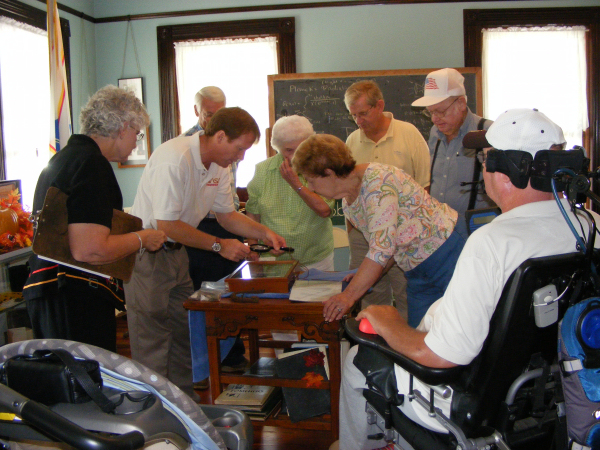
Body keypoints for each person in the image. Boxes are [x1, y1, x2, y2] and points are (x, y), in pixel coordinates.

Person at [333, 108, 598, 450]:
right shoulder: (592, 225)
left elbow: (440, 358)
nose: (482, 166)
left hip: (475, 398)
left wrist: (389, 323)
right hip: (553, 386)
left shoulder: (492, 242)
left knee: (359, 358)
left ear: (507, 172)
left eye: (486, 158)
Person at [124, 106, 286, 397]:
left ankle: (185, 406)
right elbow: (167, 225)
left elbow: (227, 215)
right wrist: (220, 245)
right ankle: (154, 413)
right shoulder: (174, 158)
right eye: (240, 148)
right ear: (220, 136)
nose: (241, 157)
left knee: (182, 336)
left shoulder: (220, 167)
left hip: (177, 255)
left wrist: (264, 233)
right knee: (152, 341)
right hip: (146, 256)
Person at [23, 85, 167, 353]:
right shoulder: (92, 165)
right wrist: (142, 238)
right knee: (84, 384)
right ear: (122, 127)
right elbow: (90, 249)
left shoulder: (64, 159)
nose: (136, 141)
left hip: (50, 290)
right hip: (73, 295)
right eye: (136, 133)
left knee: (60, 384)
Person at [292, 134, 465, 328]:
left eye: (311, 180)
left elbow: (381, 250)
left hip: (446, 253)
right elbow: (388, 245)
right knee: (421, 331)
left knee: (459, 326)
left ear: (329, 172)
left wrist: (348, 297)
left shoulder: (377, 184)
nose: (310, 187)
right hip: (416, 267)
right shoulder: (348, 201)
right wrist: (362, 275)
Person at [344, 80, 431, 320]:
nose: (359, 121)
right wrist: (352, 230)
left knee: (406, 290)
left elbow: (425, 185)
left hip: (405, 232)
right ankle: (374, 348)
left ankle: (405, 348)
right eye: (354, 116)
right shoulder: (352, 140)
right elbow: (346, 188)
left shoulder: (409, 133)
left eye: (363, 113)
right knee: (370, 293)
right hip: (364, 232)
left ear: (379, 105)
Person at [180, 86, 247, 390]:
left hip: (224, 220)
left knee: (230, 293)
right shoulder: (184, 148)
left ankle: (230, 354)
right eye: (208, 112)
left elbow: (226, 203)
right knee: (204, 296)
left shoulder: (231, 140)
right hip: (198, 228)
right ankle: (203, 365)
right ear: (197, 112)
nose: (213, 117)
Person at [412, 68, 496, 241]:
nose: (435, 119)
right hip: (440, 234)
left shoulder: (489, 132)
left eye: (440, 111)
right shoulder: (435, 132)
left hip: (478, 233)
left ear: (461, 103)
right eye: (431, 112)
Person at [246, 115, 335, 270]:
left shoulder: (322, 168)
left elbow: (324, 210)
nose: (295, 156)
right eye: (288, 150)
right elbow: (253, 214)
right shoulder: (262, 171)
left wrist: (296, 184)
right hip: (273, 261)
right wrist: (254, 247)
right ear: (277, 147)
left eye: (300, 148)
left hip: (315, 259)